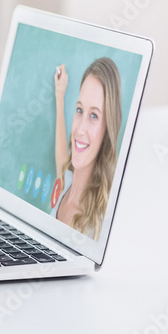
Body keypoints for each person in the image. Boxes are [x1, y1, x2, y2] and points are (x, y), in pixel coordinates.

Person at [51, 57, 123, 240]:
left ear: (108, 130)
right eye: (80, 110)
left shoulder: (98, 224)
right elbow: (61, 156)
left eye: (94, 115)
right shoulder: (67, 181)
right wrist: (60, 95)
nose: (80, 129)